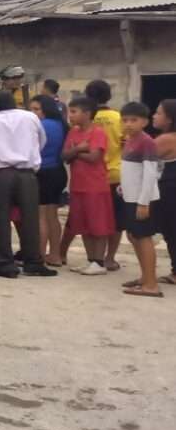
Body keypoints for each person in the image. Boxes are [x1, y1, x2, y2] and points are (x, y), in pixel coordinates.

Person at [0, 91, 56, 277]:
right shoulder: (30, 117)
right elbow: (41, 141)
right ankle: (33, 262)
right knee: (30, 219)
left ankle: (4, 264)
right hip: (27, 173)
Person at [62, 97, 117, 274]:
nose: (70, 115)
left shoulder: (98, 132)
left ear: (87, 114)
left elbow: (95, 158)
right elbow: (65, 156)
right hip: (78, 185)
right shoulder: (73, 132)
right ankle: (91, 260)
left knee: (98, 225)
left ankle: (99, 261)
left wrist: (74, 152)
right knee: (83, 224)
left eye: (74, 112)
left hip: (95, 185)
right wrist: (79, 149)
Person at [116, 102, 163, 297]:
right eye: (125, 120)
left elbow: (151, 173)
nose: (128, 124)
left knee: (144, 238)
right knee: (133, 236)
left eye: (133, 120)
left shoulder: (146, 142)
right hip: (130, 196)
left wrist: (144, 202)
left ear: (144, 121)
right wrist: (122, 186)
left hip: (142, 199)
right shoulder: (130, 139)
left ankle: (151, 284)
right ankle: (145, 277)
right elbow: (131, 170)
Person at [30, 95, 69, 267]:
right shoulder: (61, 124)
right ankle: (55, 254)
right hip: (58, 171)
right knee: (52, 215)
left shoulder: (39, 125)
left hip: (43, 172)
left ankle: (39, 256)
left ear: (45, 109)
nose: (33, 113)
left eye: (36, 109)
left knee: (41, 216)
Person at [150, 99, 176, 285]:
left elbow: (141, 157)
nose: (154, 115)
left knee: (171, 230)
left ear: (169, 119)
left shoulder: (166, 139)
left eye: (158, 113)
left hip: (169, 188)